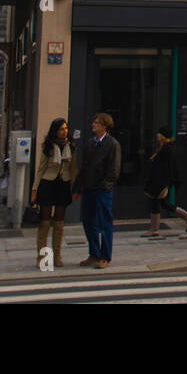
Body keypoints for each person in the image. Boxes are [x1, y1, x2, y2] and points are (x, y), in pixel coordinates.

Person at [72, 112, 121, 269]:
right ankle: (94, 253)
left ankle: (105, 256)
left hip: (102, 190)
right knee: (88, 221)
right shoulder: (90, 144)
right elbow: (84, 166)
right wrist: (78, 187)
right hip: (89, 188)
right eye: (94, 122)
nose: (93, 124)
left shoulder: (112, 144)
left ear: (105, 126)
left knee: (104, 222)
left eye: (97, 123)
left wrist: (106, 184)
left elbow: (114, 170)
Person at [30, 117, 74, 269]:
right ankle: (42, 257)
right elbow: (41, 169)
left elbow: (72, 168)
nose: (65, 131)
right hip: (48, 183)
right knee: (45, 221)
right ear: (55, 131)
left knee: (59, 223)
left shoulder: (70, 146)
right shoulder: (48, 146)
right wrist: (34, 190)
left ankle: (57, 256)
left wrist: (75, 187)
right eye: (62, 129)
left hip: (63, 183)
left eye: (66, 128)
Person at [143, 127, 187, 237]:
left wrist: (163, 181)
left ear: (163, 136)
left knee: (156, 203)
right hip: (159, 181)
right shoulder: (164, 148)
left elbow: (166, 167)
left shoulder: (167, 149)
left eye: (159, 134)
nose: (157, 135)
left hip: (160, 181)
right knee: (164, 204)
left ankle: (154, 229)